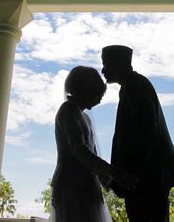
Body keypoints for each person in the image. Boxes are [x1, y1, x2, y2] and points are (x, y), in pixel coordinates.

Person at [101, 45, 174, 222]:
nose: (103, 70)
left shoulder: (134, 86)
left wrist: (130, 174)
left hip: (147, 177)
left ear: (119, 64)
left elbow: (146, 133)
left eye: (106, 64)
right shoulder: (133, 85)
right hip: (148, 175)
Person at [50, 66, 138, 222]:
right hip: (71, 185)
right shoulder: (67, 111)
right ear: (82, 89)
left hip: (87, 185)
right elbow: (80, 150)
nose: (100, 98)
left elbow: (93, 154)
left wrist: (109, 181)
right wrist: (114, 173)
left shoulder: (84, 117)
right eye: (96, 92)